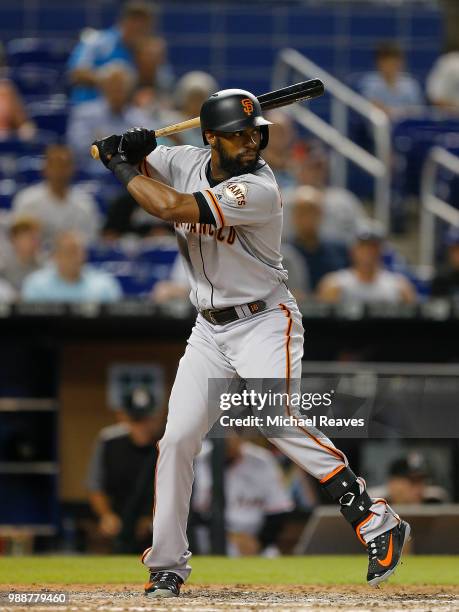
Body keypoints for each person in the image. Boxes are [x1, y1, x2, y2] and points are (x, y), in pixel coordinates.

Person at [92, 88, 411, 597]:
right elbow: (142, 169)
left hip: (265, 319)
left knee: (272, 418)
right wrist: (132, 147)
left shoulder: (259, 188)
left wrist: (123, 165)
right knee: (176, 440)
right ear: (211, 138)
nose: (250, 142)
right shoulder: (185, 159)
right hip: (208, 329)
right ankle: (168, 564)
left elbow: (169, 205)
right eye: (238, 134)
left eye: (255, 133)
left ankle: (376, 519)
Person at [87, 386, 165, 553]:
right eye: (136, 420)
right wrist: (106, 515)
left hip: (162, 529)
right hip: (120, 524)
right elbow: (95, 486)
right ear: (122, 417)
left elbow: (181, 489)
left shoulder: (166, 443)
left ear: (157, 417)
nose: (142, 426)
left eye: (147, 419)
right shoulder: (109, 442)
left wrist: (152, 519)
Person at [192, 435, 293, 556]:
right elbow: (192, 515)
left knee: (272, 556)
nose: (229, 440)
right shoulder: (198, 459)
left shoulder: (262, 459)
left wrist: (259, 542)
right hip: (211, 540)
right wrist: (231, 536)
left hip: (257, 539)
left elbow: (279, 510)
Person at [67, 1, 165, 104]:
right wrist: (111, 82)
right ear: (124, 21)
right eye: (134, 20)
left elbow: (158, 83)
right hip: (89, 106)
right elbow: (76, 74)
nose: (138, 26)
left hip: (126, 113)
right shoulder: (97, 41)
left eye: (144, 23)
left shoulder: (149, 49)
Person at [66, 62, 151, 176]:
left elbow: (149, 148)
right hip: (92, 176)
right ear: (103, 87)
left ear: (129, 90)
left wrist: (105, 143)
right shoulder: (84, 113)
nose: (116, 90)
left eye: (121, 86)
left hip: (130, 177)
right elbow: (77, 147)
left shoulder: (140, 117)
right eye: (112, 85)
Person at [12, 144, 99, 248]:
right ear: (45, 168)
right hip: (34, 262)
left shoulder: (85, 203)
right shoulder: (27, 201)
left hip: (72, 261)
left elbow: (91, 243)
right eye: (55, 164)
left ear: (72, 169)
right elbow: (19, 241)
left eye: (64, 165)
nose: (59, 170)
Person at [317, 222, 416, 305]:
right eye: (363, 246)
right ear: (353, 250)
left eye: (373, 246)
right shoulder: (334, 285)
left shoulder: (400, 287)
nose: (368, 252)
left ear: (381, 250)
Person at [293, 142, 367, 246]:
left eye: (319, 166)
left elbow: (363, 233)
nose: (315, 172)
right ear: (299, 168)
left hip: (339, 258)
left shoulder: (345, 199)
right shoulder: (286, 199)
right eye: (310, 166)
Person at [21, 230, 122, 303]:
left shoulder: (104, 285)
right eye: (70, 251)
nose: (76, 258)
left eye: (80, 252)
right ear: (56, 256)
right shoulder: (36, 285)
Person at [288, 186, 348, 291]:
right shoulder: (282, 254)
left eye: (312, 211)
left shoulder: (340, 251)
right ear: (294, 216)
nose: (307, 217)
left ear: (321, 214)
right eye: (302, 211)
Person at [359, 41, 423, 119]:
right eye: (386, 62)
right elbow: (370, 106)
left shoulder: (410, 84)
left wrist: (393, 112)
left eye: (394, 62)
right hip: (379, 127)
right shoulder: (369, 82)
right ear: (378, 63)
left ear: (401, 62)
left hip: (406, 127)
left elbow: (417, 111)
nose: (390, 66)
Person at [368, 453, 448, 505]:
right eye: (412, 481)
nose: (418, 488)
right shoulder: (372, 502)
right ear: (392, 483)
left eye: (422, 481)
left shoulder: (434, 500)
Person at [0, 217, 43, 292]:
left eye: (36, 237)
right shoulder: (3, 266)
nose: (34, 242)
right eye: (29, 238)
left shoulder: (44, 267)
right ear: (14, 240)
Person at [431, 226, 459, 298]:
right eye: (452, 250)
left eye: (457, 249)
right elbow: (436, 307)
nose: (454, 255)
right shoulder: (441, 280)